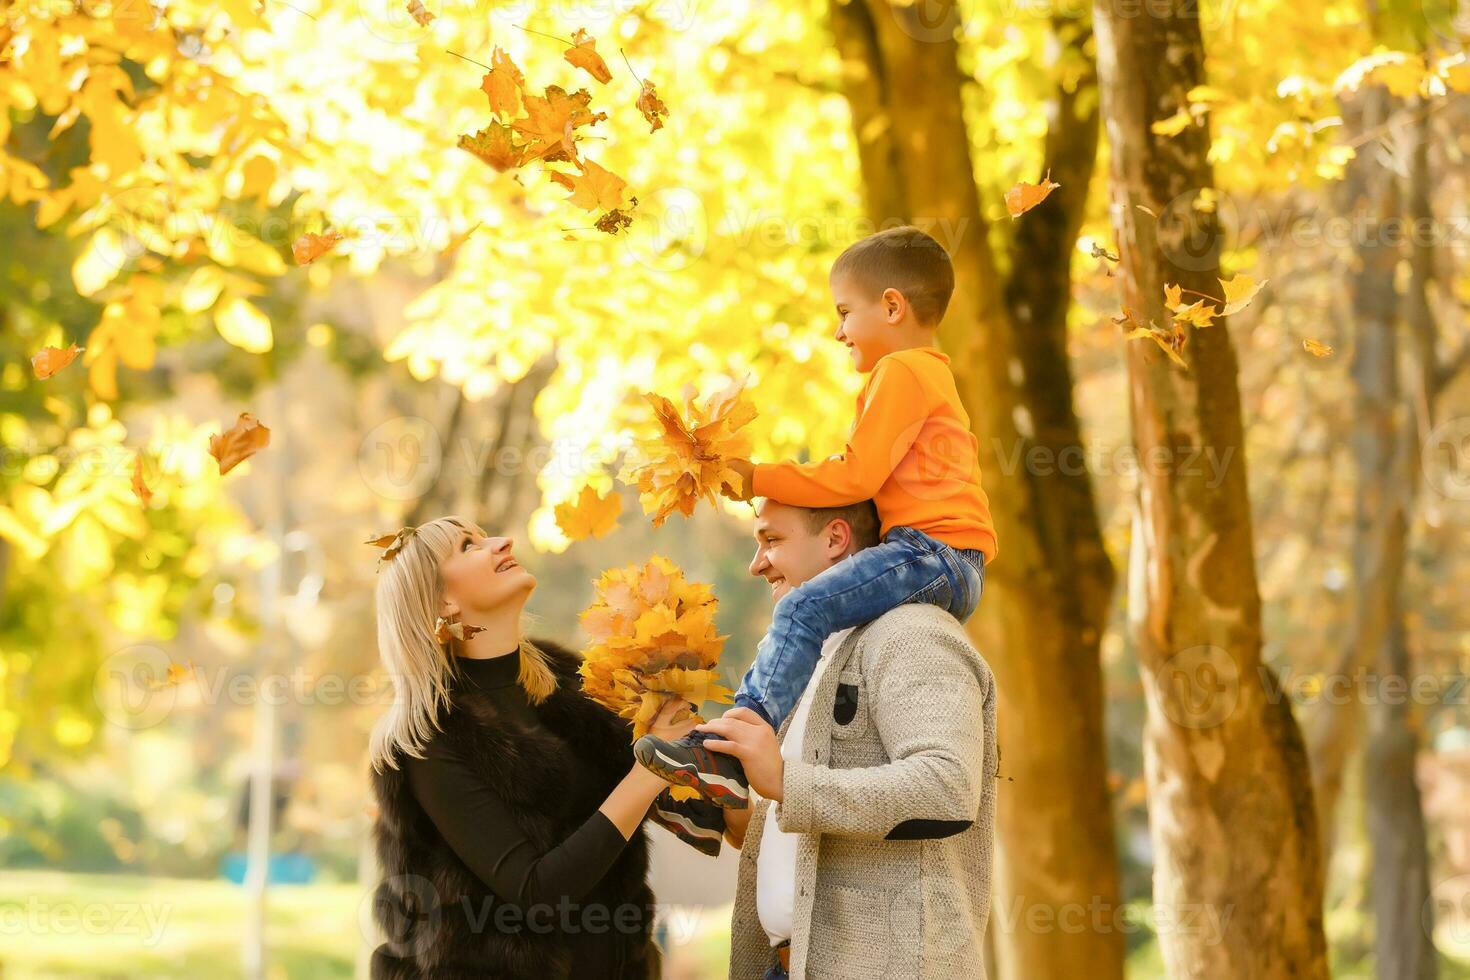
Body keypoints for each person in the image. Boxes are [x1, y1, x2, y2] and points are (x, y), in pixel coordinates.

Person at [636, 224, 998, 806]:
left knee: (806, 606)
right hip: (941, 555)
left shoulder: (902, 371)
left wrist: (759, 477)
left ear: (891, 306)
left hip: (933, 552)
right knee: (821, 614)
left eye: (844, 312)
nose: (837, 330)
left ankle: (731, 744)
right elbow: (858, 471)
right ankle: (725, 779)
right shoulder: (923, 374)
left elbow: (856, 475)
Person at [364, 517, 716, 979]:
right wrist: (650, 769)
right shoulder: (432, 737)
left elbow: (662, 807)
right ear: (443, 600)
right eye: (468, 546)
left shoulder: (572, 680)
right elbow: (538, 892)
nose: (501, 542)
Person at [710, 496, 998, 979]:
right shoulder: (810, 658)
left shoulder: (913, 632)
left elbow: (948, 788)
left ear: (835, 539)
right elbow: (804, 821)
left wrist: (783, 780)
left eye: (772, 540)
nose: (756, 563)